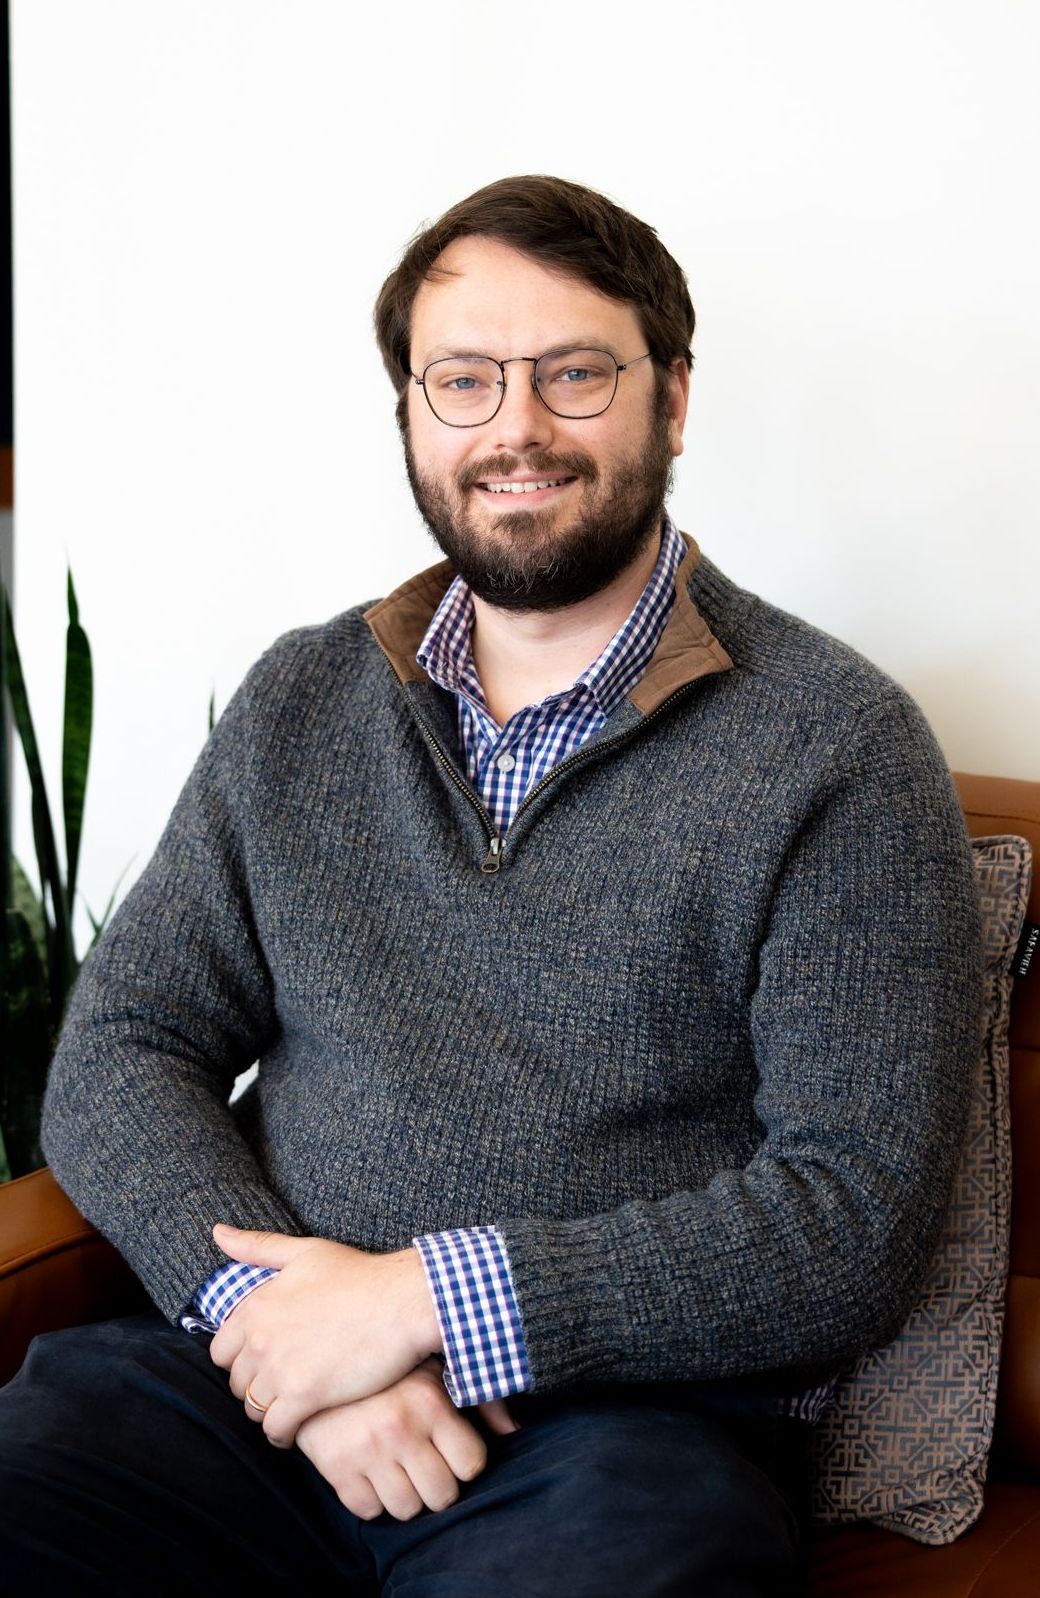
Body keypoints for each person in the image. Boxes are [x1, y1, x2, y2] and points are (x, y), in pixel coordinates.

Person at [0, 174, 983, 1596]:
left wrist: (417, 1305)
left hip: (615, 1446)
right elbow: (118, 1050)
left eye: (574, 372)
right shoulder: (302, 701)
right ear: (410, 412)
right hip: (247, 1392)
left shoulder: (838, 748)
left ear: (675, 399)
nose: (514, 425)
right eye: (461, 380)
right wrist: (298, 1337)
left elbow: (850, 1217)